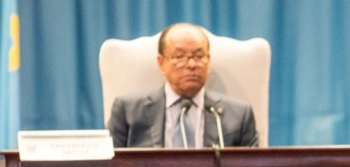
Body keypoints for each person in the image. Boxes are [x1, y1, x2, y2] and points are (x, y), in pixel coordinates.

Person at [107, 22, 259, 148]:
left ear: (209, 61)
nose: (192, 64)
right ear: (161, 63)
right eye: (179, 56)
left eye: (199, 56)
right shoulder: (128, 112)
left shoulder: (239, 116)